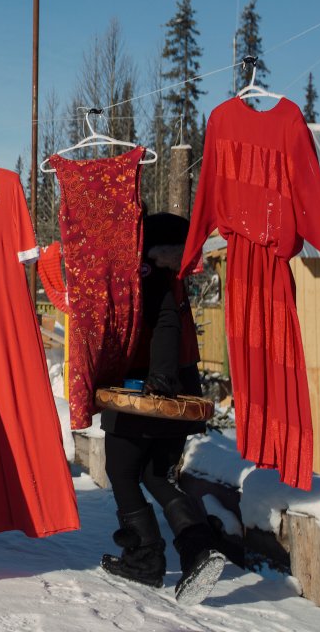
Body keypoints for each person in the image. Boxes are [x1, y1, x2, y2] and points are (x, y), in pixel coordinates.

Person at [99, 212, 227, 605]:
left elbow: (166, 325)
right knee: (156, 476)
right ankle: (198, 550)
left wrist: (158, 382)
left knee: (121, 472)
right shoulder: (173, 279)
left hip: (145, 391)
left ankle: (145, 557)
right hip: (177, 392)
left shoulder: (149, 275)